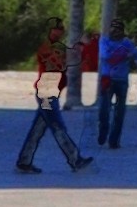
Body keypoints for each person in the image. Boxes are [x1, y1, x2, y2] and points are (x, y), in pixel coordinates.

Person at [14, 29, 94, 176]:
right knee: (58, 127)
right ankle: (75, 159)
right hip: (47, 95)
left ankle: (24, 161)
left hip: (48, 94)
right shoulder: (51, 52)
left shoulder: (59, 53)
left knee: (37, 130)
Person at [93, 30, 132, 149]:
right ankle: (103, 130)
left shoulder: (126, 42)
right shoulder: (104, 41)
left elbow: (135, 55)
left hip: (122, 80)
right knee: (104, 109)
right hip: (108, 79)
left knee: (120, 112)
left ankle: (114, 140)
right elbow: (105, 56)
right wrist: (123, 54)